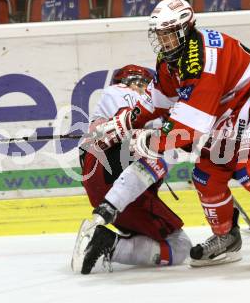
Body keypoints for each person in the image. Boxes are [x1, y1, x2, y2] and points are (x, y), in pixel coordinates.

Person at [93, 0, 250, 270]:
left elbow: (189, 128)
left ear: (186, 29)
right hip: (239, 111)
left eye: (169, 33)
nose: (163, 41)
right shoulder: (171, 60)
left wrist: (149, 140)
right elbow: (156, 101)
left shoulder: (204, 61)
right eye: (159, 34)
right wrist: (124, 121)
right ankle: (226, 237)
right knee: (207, 175)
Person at [77, 64, 192, 274]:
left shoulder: (108, 96)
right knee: (180, 247)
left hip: (94, 180)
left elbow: (87, 150)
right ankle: (112, 244)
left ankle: (114, 228)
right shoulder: (155, 102)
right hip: (120, 183)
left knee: (145, 233)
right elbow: (160, 150)